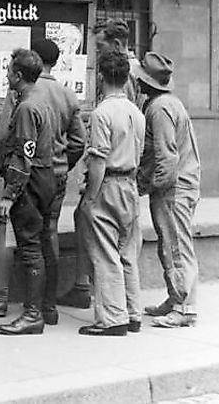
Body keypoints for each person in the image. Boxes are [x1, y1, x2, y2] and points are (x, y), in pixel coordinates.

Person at [0, 39, 85, 324]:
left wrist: (9, 183)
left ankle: (3, 298)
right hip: (54, 176)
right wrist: (62, 166)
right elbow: (79, 141)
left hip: (27, 177)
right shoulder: (66, 94)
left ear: (21, 72)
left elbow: (8, 140)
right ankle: (48, 306)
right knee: (50, 236)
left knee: (18, 239)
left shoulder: (23, 99)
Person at [58, 18, 141, 309]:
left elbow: (115, 135)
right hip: (122, 173)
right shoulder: (129, 75)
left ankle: (100, 299)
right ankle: (114, 301)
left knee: (102, 236)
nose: (96, 53)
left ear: (116, 45)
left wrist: (92, 189)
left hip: (109, 172)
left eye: (101, 46)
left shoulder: (122, 79)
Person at [78, 50, 145, 336]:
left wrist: (90, 198)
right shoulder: (136, 112)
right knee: (127, 252)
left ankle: (112, 318)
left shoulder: (101, 113)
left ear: (101, 78)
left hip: (109, 184)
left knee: (104, 252)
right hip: (131, 184)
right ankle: (133, 313)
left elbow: (98, 160)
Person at [136, 52, 202, 328]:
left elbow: (167, 159)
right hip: (178, 185)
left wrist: (146, 186)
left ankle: (184, 307)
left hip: (172, 189)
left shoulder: (159, 108)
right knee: (171, 244)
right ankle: (175, 298)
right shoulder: (167, 103)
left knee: (175, 247)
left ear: (144, 83)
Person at [0, 49, 57, 335]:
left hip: (30, 181)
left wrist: (9, 194)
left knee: (30, 247)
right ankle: (39, 309)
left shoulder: (25, 108)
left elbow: (22, 155)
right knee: (39, 244)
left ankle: (32, 314)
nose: (6, 74)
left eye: (9, 70)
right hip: (46, 177)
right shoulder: (42, 100)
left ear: (18, 75)